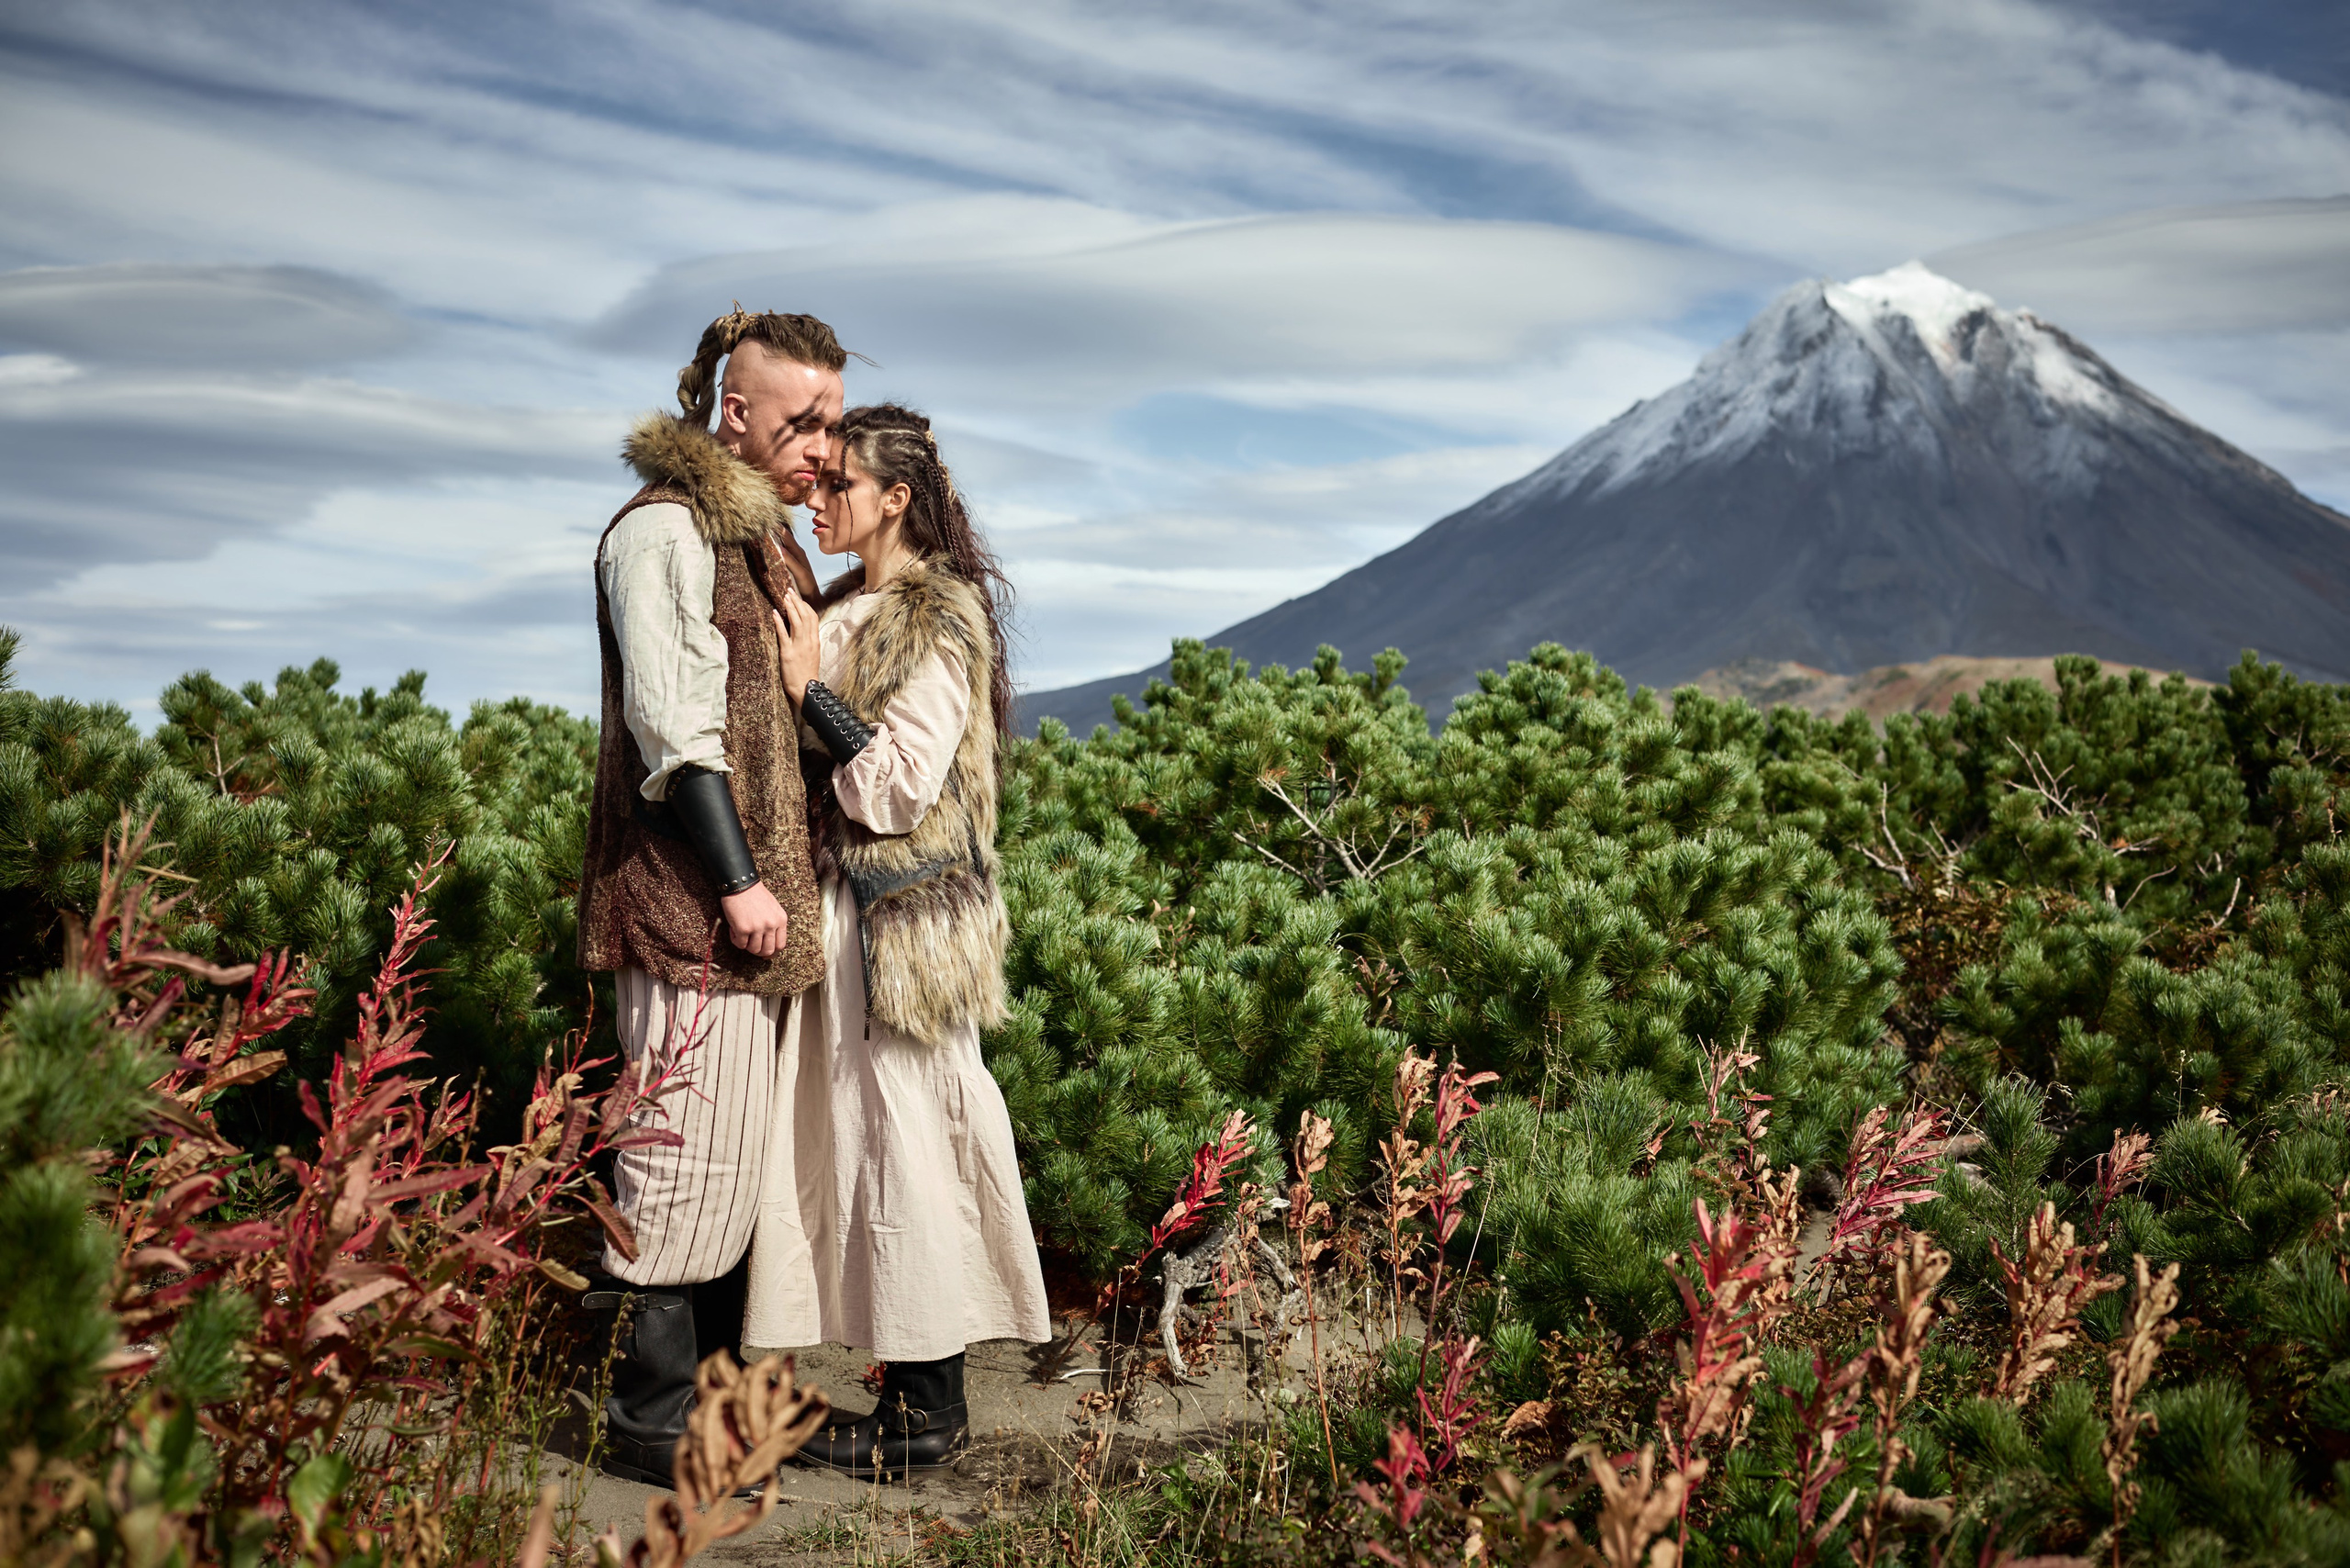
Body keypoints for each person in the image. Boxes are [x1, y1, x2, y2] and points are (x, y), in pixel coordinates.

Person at [742, 403, 1050, 1479]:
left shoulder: (933, 615)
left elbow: (897, 786)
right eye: (814, 481)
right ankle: (903, 1392)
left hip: (900, 929)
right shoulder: (846, 602)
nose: (817, 500)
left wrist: (807, 691)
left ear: (896, 497)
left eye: (837, 485)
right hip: (844, 920)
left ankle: (928, 1413)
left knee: (907, 1150)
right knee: (859, 1148)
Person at [573, 307, 843, 1484]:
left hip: (759, 912)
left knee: (736, 1160)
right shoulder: (663, 532)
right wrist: (737, 882)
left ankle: (720, 1400)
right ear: (737, 413)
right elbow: (671, 731)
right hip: (689, 907)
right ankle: (647, 1416)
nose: (824, 447)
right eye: (807, 420)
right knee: (675, 1153)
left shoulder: (769, 544)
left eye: (831, 422)